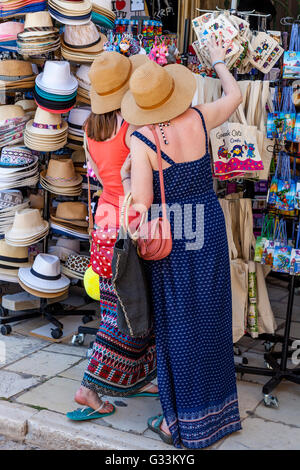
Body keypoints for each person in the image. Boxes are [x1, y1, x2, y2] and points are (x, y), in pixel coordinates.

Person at [120, 35, 243, 448]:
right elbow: (236, 95)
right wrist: (220, 62)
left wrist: (126, 223)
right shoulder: (198, 117)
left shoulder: (142, 141)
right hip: (208, 222)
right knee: (210, 317)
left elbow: (142, 205)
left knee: (179, 324)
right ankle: (219, 415)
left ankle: (182, 424)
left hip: (175, 233)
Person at [67, 52, 158, 422]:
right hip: (129, 225)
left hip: (103, 221)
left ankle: (141, 377)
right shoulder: (132, 128)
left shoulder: (90, 129)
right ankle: (89, 387)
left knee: (120, 304)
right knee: (126, 311)